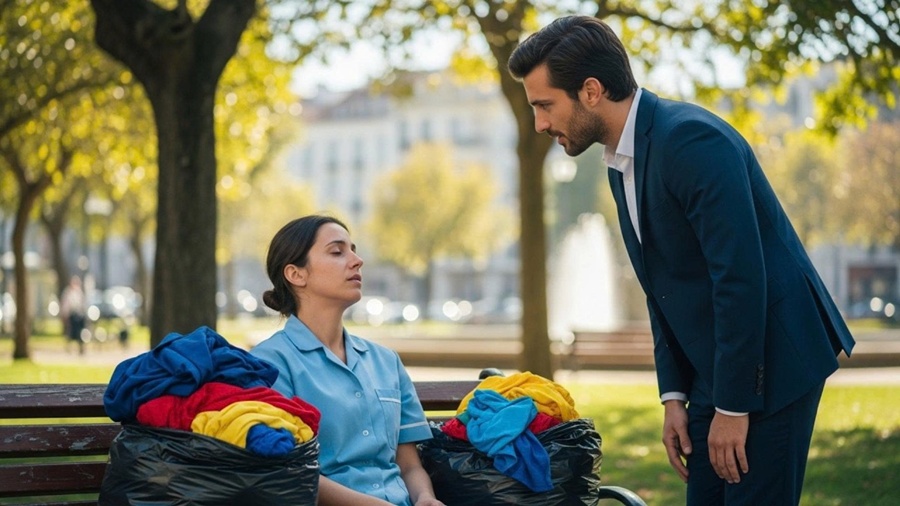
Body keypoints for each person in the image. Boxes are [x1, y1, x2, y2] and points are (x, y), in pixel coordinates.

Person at [507, 15, 855, 506]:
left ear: (590, 91)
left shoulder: (691, 140)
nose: (540, 124)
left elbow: (739, 279)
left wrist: (733, 408)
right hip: (717, 368)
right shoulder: (620, 160)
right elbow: (662, 286)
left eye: (545, 106)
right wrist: (674, 396)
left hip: (773, 360)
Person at [250, 215, 445, 506]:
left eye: (353, 250)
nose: (357, 261)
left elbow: (409, 465)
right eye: (337, 252)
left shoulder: (385, 361)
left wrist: (425, 498)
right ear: (296, 274)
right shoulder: (269, 364)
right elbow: (288, 472)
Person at [60, 275, 87, 355]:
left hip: (79, 315)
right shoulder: (68, 293)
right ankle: (69, 347)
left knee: (80, 332)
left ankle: (81, 348)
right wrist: (65, 315)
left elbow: (82, 304)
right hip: (72, 315)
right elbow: (66, 305)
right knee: (71, 332)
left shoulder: (79, 293)